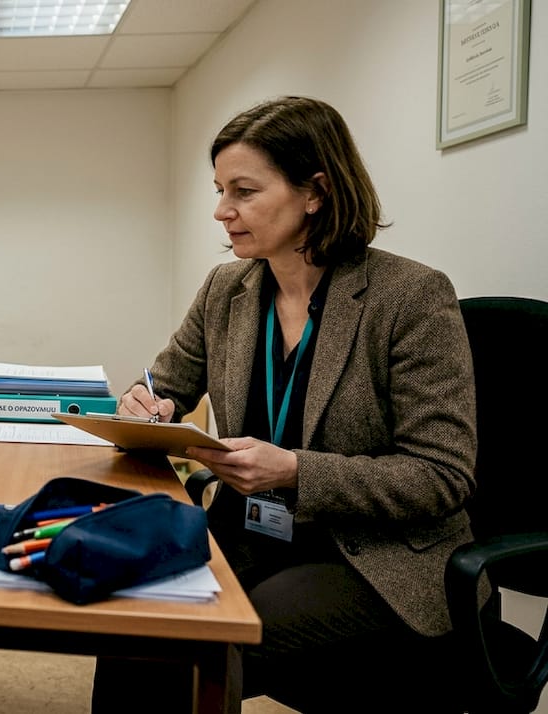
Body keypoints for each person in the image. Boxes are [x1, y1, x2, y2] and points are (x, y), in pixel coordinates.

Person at [93, 97, 476, 713]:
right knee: (134, 621)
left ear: (315, 192)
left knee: (208, 642)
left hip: (369, 556)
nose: (221, 212)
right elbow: (164, 384)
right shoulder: (229, 289)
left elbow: (441, 476)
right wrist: (146, 405)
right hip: (248, 530)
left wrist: (297, 471)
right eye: (219, 190)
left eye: (243, 191)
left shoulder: (410, 298)